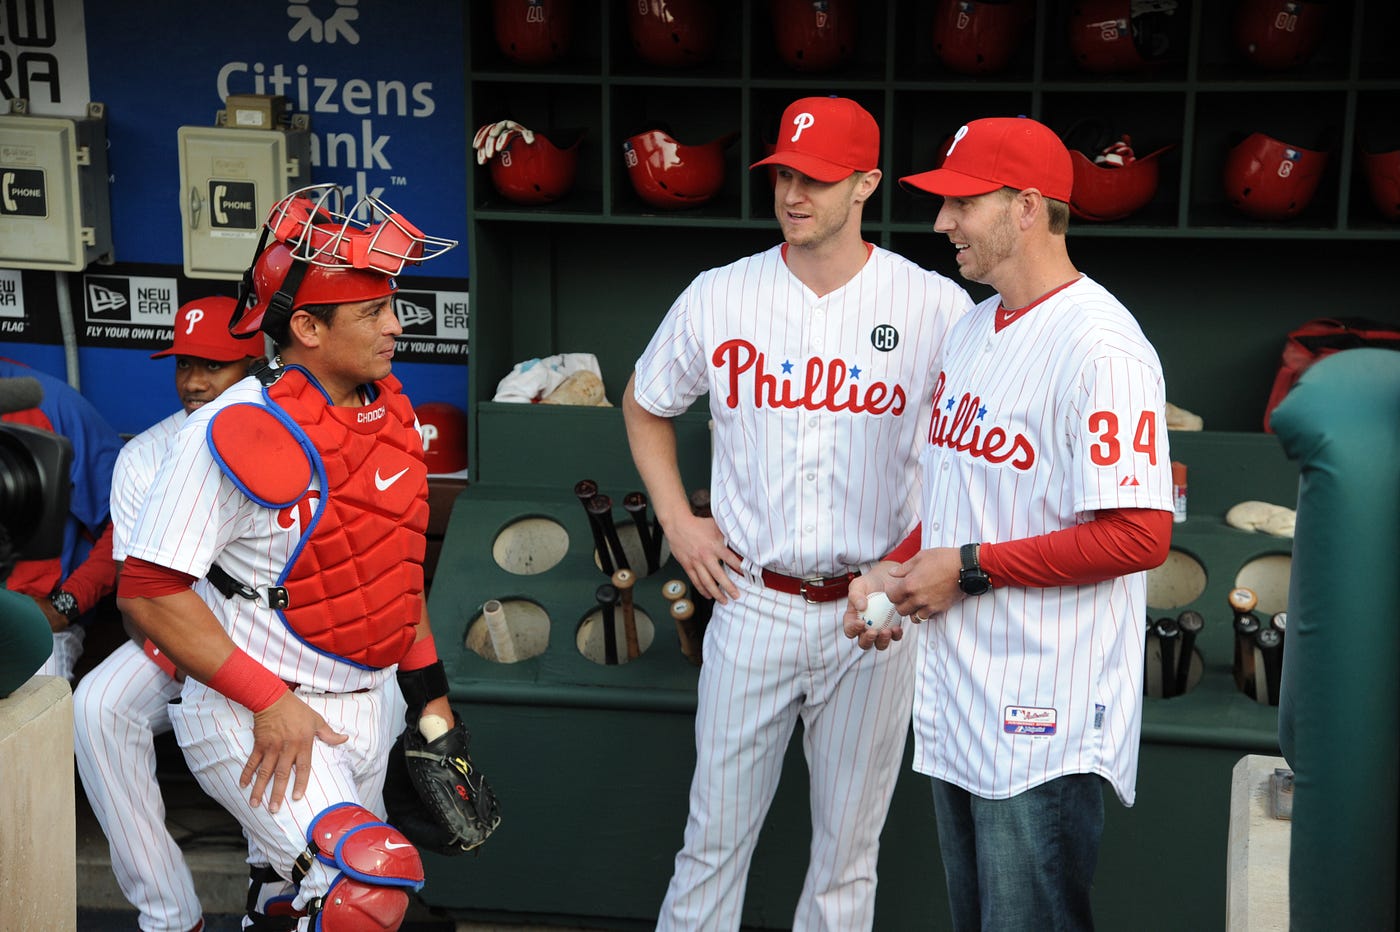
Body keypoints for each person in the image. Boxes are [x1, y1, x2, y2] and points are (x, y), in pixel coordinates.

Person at [622, 96, 973, 931]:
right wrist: (678, 520)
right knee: (712, 839)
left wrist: (915, 572)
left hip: (873, 610)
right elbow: (644, 403)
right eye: (784, 173)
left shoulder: (934, 307)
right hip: (755, 601)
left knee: (847, 859)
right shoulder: (721, 294)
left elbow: (972, 465)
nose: (794, 193)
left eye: (817, 177)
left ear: (866, 185)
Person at [843, 116, 1174, 931]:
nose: (940, 222)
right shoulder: (969, 328)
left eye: (960, 201)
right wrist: (895, 573)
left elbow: (1140, 535)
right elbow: (959, 504)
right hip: (961, 698)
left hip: (1044, 718)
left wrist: (968, 567)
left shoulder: (1103, 347)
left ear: (1027, 207)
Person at [116, 184, 460, 929]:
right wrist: (267, 701)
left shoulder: (388, 413)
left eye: (390, 307)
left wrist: (430, 694)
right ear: (305, 325)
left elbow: (393, 572)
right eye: (372, 313)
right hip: (260, 713)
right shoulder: (234, 427)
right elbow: (146, 590)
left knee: (289, 896)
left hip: (370, 704)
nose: (395, 327)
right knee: (360, 893)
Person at [73, 296, 266, 932]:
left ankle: (276, 903)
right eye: (184, 363)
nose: (192, 381)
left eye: (213, 365)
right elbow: (136, 593)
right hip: (181, 643)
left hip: (277, 645)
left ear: (254, 363)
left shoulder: (283, 437)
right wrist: (191, 664)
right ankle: (168, 914)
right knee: (100, 705)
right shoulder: (145, 455)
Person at [0, 357, 123, 682]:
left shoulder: (47, 404)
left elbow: (128, 523)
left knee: (32, 712)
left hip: (25, 619)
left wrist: (66, 604)